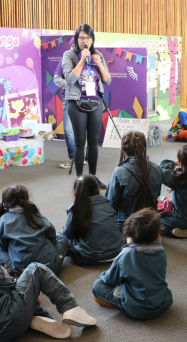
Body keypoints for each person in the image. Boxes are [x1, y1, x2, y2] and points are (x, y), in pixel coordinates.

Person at [92, 208, 173, 320]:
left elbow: (109, 279)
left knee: (97, 285)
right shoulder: (161, 251)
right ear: (157, 234)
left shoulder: (126, 255)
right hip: (163, 304)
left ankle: (120, 301)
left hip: (136, 309)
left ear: (130, 233)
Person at [62, 24, 111, 186]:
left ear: (92, 40)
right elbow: (69, 80)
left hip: (95, 102)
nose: (85, 40)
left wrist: (100, 63)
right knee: (79, 142)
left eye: (88, 37)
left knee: (94, 142)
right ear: (76, 39)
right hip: (77, 103)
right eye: (82, 37)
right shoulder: (69, 55)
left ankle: (93, 177)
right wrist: (83, 59)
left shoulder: (98, 55)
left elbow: (107, 80)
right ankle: (80, 180)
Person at [0, 185, 67, 277]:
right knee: (61, 237)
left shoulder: (3, 220)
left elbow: (3, 246)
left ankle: (15, 272)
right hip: (50, 267)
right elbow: (52, 239)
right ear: (27, 201)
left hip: (23, 271)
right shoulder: (39, 217)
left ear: (5, 204)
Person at [62, 175, 124, 265]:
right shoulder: (108, 205)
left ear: (75, 193)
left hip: (88, 258)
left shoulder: (76, 210)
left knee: (60, 238)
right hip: (117, 253)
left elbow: (67, 234)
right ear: (98, 190)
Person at [106, 131, 162, 228]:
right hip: (151, 221)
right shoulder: (156, 167)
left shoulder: (119, 171)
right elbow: (156, 195)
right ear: (143, 147)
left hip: (126, 223)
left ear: (124, 149)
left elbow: (111, 203)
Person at [54, 38, 78, 169]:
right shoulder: (63, 60)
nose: (74, 48)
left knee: (83, 129)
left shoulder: (86, 61)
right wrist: (70, 86)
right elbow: (56, 79)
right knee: (68, 129)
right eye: (72, 45)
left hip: (84, 99)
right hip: (68, 99)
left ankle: (81, 157)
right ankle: (72, 157)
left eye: (77, 45)